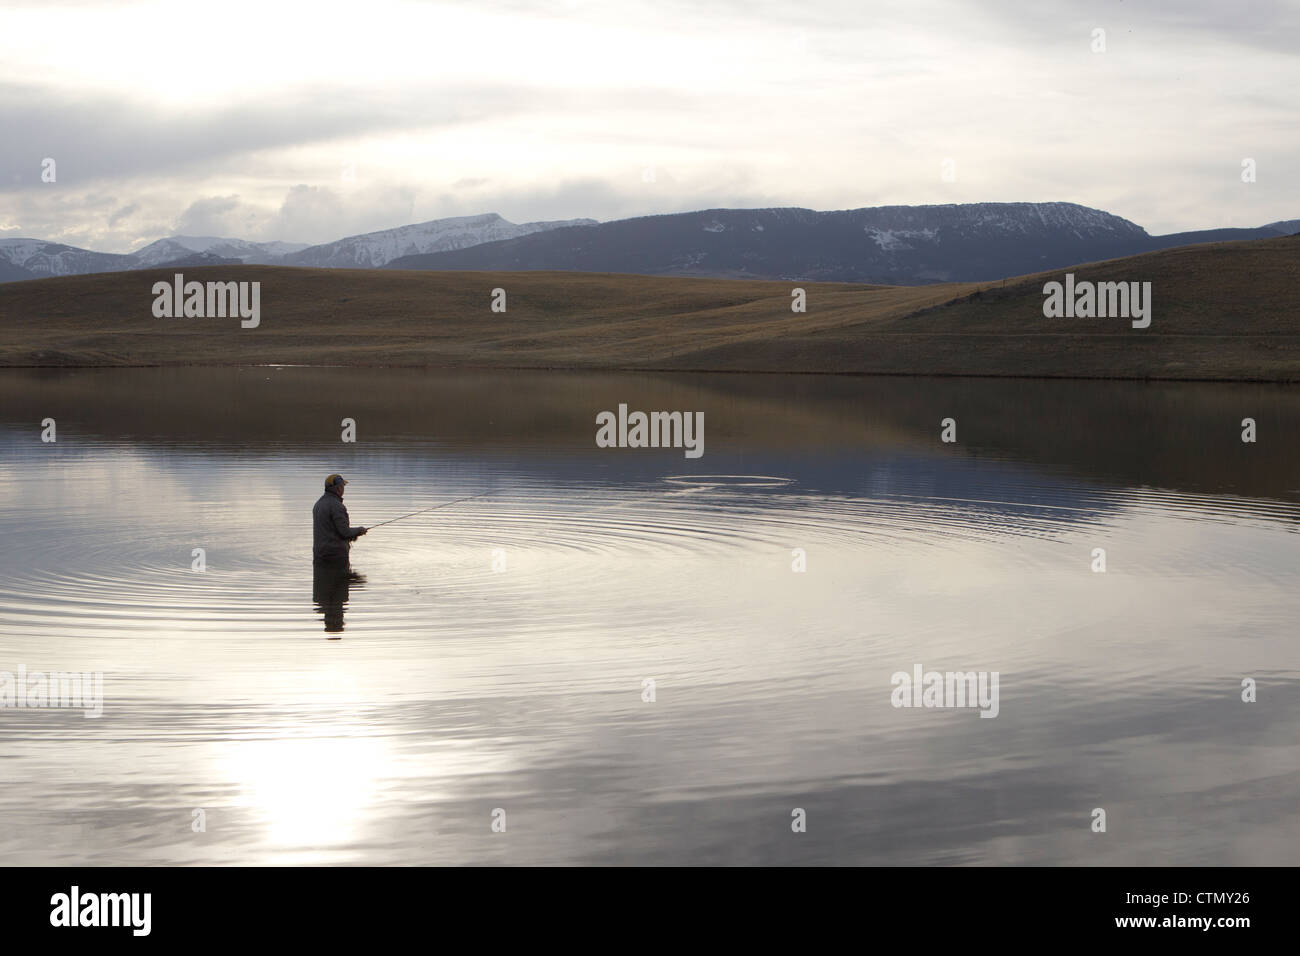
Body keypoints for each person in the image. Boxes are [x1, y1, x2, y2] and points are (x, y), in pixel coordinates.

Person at [313, 474, 367, 561]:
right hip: (335, 556)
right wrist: (360, 530)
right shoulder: (337, 506)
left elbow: (331, 530)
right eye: (343, 486)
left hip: (319, 554)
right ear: (339, 488)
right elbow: (345, 532)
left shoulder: (318, 504)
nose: (343, 489)